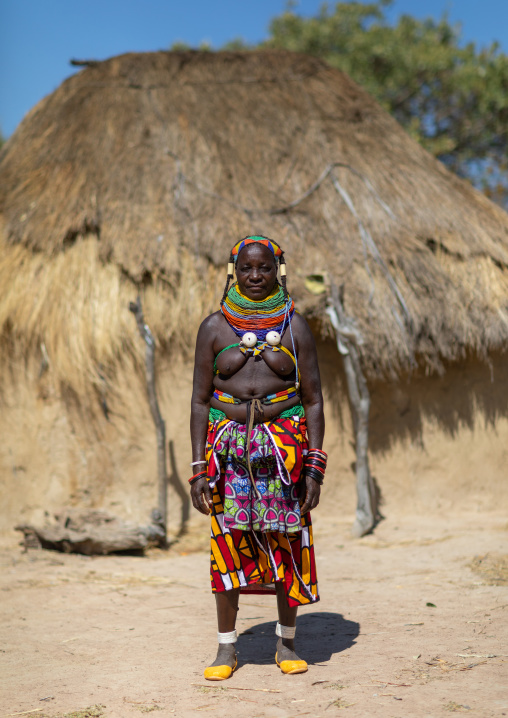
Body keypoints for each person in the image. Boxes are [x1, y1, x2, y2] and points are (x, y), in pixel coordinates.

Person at [189, 235, 326, 680]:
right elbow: (198, 401)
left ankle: (286, 644)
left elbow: (314, 400)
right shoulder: (213, 328)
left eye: (263, 268)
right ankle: (227, 650)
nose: (254, 276)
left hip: (283, 453)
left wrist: (314, 469)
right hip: (226, 456)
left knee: (287, 544)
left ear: (277, 271)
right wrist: (197, 471)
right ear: (234, 271)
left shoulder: (295, 327)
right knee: (227, 545)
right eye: (246, 268)